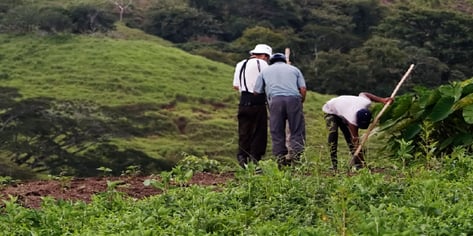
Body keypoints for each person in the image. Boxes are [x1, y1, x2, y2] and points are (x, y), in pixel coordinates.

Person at [254, 53, 307, 167]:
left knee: (276, 130)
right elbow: (302, 88)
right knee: (296, 129)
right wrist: (300, 101)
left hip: (275, 101)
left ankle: (280, 158)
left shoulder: (265, 71)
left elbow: (257, 91)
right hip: (293, 99)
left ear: (271, 61)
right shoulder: (294, 69)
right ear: (284, 61)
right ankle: (297, 157)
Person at [322, 92, 392, 170]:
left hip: (344, 109)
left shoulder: (366, 102)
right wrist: (364, 162)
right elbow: (355, 140)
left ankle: (358, 164)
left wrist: (382, 100)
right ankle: (334, 164)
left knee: (348, 136)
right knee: (333, 133)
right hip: (331, 109)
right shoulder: (352, 119)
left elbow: (364, 94)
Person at [232, 44, 272, 168]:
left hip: (244, 100)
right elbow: (267, 83)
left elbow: (236, 85)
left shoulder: (241, 64)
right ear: (265, 56)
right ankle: (255, 159)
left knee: (244, 131)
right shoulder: (263, 64)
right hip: (258, 100)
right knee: (259, 131)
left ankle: (242, 158)